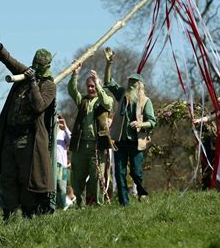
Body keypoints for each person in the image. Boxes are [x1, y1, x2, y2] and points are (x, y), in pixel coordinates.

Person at [0, 33, 56, 220]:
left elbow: (39, 106)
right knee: (8, 177)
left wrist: (33, 83)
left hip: (29, 141)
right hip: (10, 136)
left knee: (27, 180)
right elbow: (9, 60)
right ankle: (8, 215)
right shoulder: (25, 73)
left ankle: (28, 216)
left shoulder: (49, 85)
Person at [103, 47, 156, 206]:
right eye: (129, 81)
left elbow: (152, 121)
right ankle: (124, 203)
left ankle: (141, 192)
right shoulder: (122, 95)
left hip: (136, 141)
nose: (131, 84)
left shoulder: (146, 101)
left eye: (134, 82)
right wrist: (108, 63)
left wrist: (140, 124)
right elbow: (108, 82)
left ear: (140, 85)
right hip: (120, 140)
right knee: (119, 173)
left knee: (136, 172)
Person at [68, 65, 114, 207]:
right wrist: (74, 75)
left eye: (93, 86)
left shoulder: (105, 100)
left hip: (97, 146)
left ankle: (98, 205)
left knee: (96, 178)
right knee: (77, 179)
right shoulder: (82, 100)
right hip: (80, 145)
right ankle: (80, 207)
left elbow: (107, 103)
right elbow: (72, 90)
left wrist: (99, 84)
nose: (90, 88)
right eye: (89, 86)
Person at [55, 115, 71, 209]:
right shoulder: (47, 132)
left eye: (58, 121)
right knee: (51, 188)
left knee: (62, 188)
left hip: (61, 164)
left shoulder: (63, 132)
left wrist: (65, 128)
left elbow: (71, 142)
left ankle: (63, 207)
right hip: (49, 164)